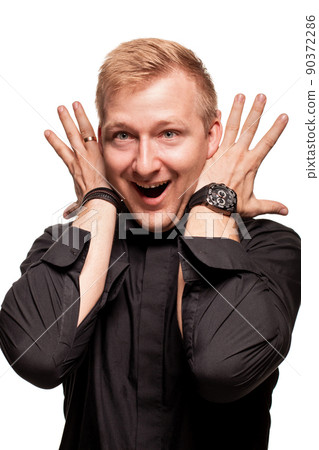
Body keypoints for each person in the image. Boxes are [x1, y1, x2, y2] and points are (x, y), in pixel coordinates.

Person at [0, 38, 300, 449]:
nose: (144, 164)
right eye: (123, 136)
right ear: (102, 143)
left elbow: (220, 367)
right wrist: (99, 201)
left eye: (169, 133)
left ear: (212, 137)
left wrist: (213, 204)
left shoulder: (268, 246)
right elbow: (39, 356)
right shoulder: (66, 241)